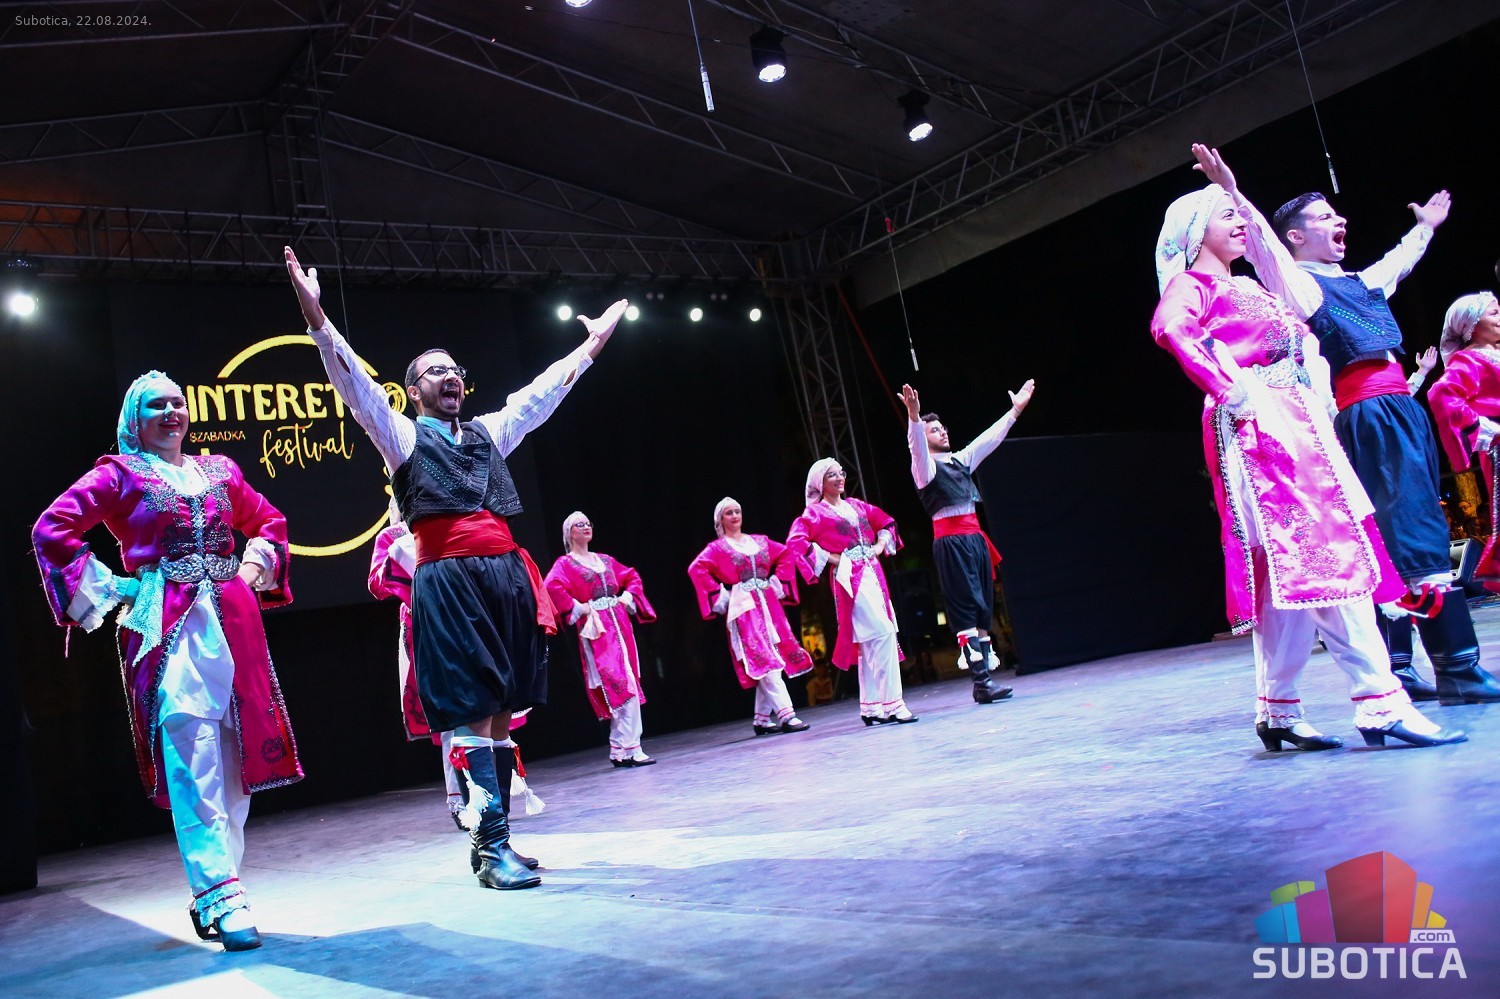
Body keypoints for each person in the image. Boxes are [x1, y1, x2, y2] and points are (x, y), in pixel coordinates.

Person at [285, 245, 626, 890]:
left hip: (504, 577)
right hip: (450, 579)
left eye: (454, 370)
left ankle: (499, 842)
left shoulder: (489, 432)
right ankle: (488, 849)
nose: (449, 378)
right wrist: (318, 321)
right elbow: (353, 386)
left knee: (500, 708)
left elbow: (541, 395)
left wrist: (592, 345)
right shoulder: (401, 436)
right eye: (434, 372)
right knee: (473, 707)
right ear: (413, 390)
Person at [1149, 144, 1464, 750]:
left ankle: (1278, 710)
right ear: (1193, 232)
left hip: (1298, 420)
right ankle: (1380, 701)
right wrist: (1232, 390)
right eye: (1226, 215)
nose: (1240, 223)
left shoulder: (1252, 286)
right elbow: (1170, 329)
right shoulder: (1194, 285)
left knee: (1286, 572)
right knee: (1324, 552)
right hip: (1261, 425)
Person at [32, 371, 301, 951]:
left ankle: (216, 890)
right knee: (190, 748)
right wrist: (115, 587)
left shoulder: (220, 470)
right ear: (135, 418)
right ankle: (223, 895)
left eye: (178, 402)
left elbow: (269, 520)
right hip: (167, 626)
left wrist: (253, 567)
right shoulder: (120, 474)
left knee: (235, 763)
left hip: (234, 624)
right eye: (157, 405)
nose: (172, 412)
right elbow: (52, 528)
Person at [1269, 186, 1500, 705]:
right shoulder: (1297, 284)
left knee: (1400, 536)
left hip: (1396, 409)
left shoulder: (1357, 282)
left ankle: (1400, 666)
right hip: (1370, 412)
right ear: (1296, 237)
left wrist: (1424, 229)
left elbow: (1397, 263)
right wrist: (1235, 195)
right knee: (1412, 532)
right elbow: (1267, 251)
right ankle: (1457, 669)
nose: (1339, 220)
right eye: (1324, 217)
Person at [368, 520, 544, 826]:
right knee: (459, 716)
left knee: (494, 710)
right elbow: (376, 583)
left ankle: (495, 811)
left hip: (473, 614)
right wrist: (407, 559)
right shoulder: (394, 536)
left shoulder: (459, 522)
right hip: (429, 620)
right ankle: (466, 807)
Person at [900, 381, 1034, 703]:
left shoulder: (961, 459)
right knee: (964, 606)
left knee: (983, 606)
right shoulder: (924, 469)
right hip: (951, 542)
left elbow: (990, 438)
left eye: (942, 428)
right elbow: (916, 447)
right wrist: (914, 419)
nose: (942, 432)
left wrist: (1015, 411)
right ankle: (980, 681)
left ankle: (986, 681)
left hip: (975, 539)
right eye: (935, 430)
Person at [787, 460, 916, 725]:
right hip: (849, 577)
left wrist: (879, 546)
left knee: (870, 640)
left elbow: (887, 522)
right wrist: (831, 558)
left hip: (873, 573)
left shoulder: (856, 505)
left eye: (841, 473)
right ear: (820, 483)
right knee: (883, 632)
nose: (839, 478)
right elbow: (795, 541)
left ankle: (871, 707)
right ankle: (894, 704)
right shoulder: (815, 513)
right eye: (831, 475)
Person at [687, 497, 815, 736]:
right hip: (744, 608)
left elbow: (786, 554)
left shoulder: (759, 541)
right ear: (720, 519)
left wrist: (777, 583)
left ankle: (762, 719)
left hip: (768, 605)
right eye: (729, 513)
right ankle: (787, 715)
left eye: (737, 511)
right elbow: (697, 568)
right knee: (766, 659)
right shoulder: (717, 548)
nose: (735, 516)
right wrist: (723, 596)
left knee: (771, 657)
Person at [1427, 291, 1500, 698]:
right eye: (1493, 313)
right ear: (1470, 326)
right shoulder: (1469, 360)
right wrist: (1484, 428)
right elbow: (1441, 396)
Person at [544, 512, 657, 768]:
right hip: (597, 630)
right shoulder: (565, 564)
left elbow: (631, 576)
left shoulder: (604, 560)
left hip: (620, 625)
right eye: (579, 525)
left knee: (627, 680)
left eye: (588, 524)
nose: (585, 527)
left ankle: (620, 748)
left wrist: (626, 598)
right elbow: (551, 586)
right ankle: (632, 747)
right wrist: (578, 607)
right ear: (569, 533)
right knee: (618, 683)